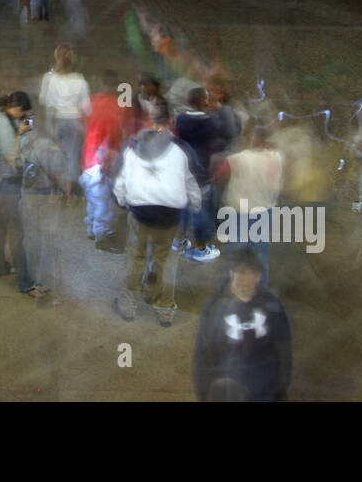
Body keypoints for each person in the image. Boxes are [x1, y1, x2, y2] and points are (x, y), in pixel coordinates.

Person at [112, 97, 200, 326]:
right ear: (171, 121)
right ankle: (164, 309)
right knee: (166, 261)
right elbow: (191, 182)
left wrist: (123, 201)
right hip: (170, 217)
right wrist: (195, 206)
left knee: (136, 257)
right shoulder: (181, 150)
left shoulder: (132, 148)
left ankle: (128, 306)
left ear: (149, 121)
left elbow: (120, 183)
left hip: (140, 213)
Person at [0, 91, 48, 298]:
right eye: (22, 113)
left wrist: (18, 131)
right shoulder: (2, 125)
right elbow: (11, 156)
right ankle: (25, 283)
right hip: (3, 182)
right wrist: (20, 133)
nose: (22, 117)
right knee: (17, 232)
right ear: (16, 108)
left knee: (0, 225)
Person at [194, 247, 292, 401]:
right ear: (232, 272)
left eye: (250, 272)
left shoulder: (272, 307)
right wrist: (204, 393)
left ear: (259, 276)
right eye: (239, 271)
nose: (244, 278)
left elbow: (283, 349)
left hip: (264, 391)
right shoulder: (215, 309)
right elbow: (204, 355)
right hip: (228, 392)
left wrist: (281, 389)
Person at [212, 127, 283, 285]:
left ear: (247, 140)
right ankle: (260, 288)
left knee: (235, 252)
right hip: (264, 210)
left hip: (239, 212)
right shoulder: (276, 158)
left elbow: (218, 179)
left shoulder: (236, 159)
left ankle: (231, 287)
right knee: (261, 255)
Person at [80, 69, 131, 252]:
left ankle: (92, 228)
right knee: (102, 200)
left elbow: (82, 123)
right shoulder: (117, 107)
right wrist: (108, 162)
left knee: (93, 197)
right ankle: (101, 235)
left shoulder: (90, 101)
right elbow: (114, 136)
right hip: (102, 158)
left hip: (88, 156)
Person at [174, 86, 224, 262]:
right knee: (200, 210)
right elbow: (219, 138)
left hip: (182, 170)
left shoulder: (180, 119)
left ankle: (178, 242)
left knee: (183, 208)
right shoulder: (211, 122)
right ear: (202, 101)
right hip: (201, 173)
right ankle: (201, 249)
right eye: (207, 98)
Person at [39, 44, 91, 200]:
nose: (64, 58)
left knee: (69, 156)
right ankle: (56, 191)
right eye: (62, 55)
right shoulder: (50, 79)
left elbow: (85, 108)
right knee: (58, 155)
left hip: (71, 121)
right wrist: (49, 125)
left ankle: (65, 192)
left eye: (66, 55)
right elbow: (45, 104)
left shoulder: (80, 80)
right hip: (59, 121)